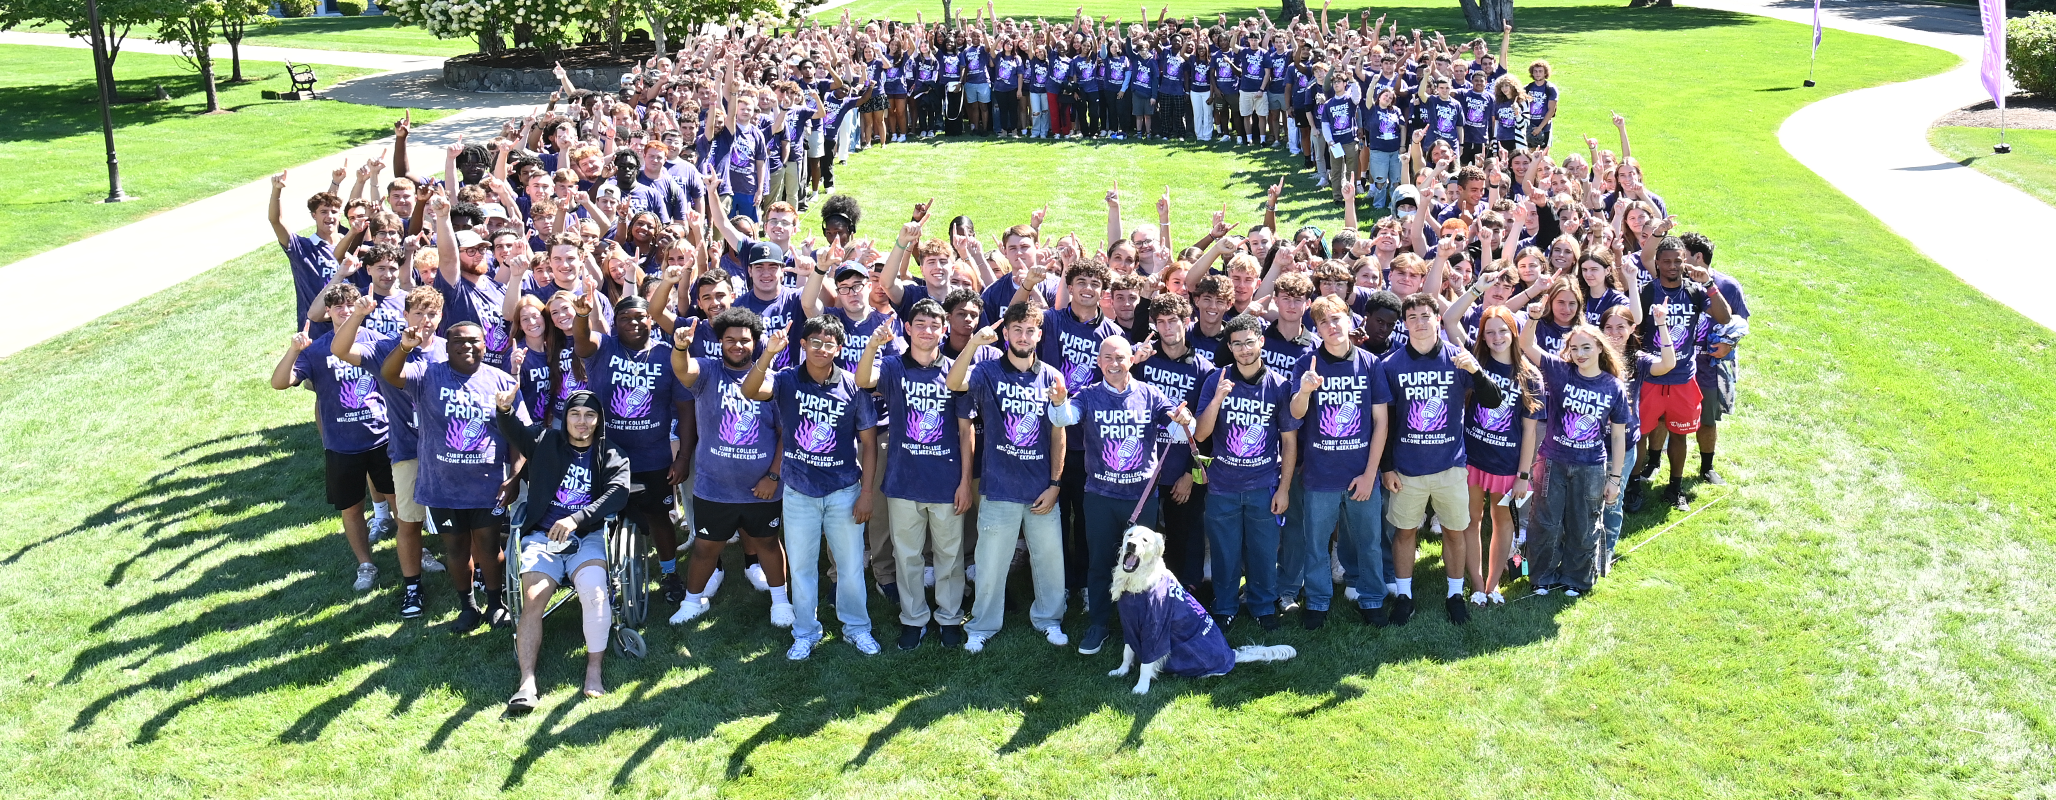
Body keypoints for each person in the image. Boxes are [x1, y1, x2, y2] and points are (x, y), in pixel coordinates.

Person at [742, 316, 882, 660]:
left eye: (829, 343)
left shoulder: (852, 385)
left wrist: (866, 493)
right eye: (815, 342)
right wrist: (768, 355)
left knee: (850, 567)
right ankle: (805, 632)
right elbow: (749, 390)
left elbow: (868, 442)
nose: (822, 348)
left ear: (840, 348)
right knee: (803, 567)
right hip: (799, 492)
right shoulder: (787, 379)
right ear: (803, 344)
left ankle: (857, 628)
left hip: (844, 490)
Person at [947, 302, 1073, 653]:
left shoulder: (1052, 376)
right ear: (1005, 334)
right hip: (999, 486)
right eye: (1016, 329)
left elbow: (1058, 434)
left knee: (1049, 559)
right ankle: (983, 624)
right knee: (990, 562)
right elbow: (953, 381)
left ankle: (1049, 619)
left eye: (1030, 330)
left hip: (1040, 489)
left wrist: (1055, 484)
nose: (1023, 336)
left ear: (1039, 334)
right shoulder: (987, 371)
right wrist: (972, 344)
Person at [380, 320, 521, 632]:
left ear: (485, 345)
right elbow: (389, 374)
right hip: (442, 486)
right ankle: (467, 607)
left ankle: (496, 605)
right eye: (458, 340)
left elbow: (517, 437)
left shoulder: (501, 381)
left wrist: (514, 477)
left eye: (474, 341)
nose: (467, 346)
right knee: (455, 548)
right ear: (447, 345)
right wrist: (404, 347)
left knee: (488, 547)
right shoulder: (429, 375)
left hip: (488, 487)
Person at [496, 389, 631, 713]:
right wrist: (504, 408)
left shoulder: (610, 454)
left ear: (598, 420)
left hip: (587, 539)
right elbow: (513, 429)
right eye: (575, 415)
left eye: (589, 416)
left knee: (596, 592)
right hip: (543, 539)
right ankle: (527, 682)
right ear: (565, 418)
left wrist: (576, 518)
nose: (582, 422)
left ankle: (593, 669)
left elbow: (618, 493)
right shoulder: (545, 442)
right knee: (533, 598)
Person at [856, 298, 973, 650]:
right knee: (907, 555)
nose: (927, 331)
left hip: (946, 481)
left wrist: (966, 481)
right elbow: (863, 379)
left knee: (949, 555)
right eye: (919, 324)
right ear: (908, 329)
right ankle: (914, 619)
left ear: (944, 330)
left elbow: (966, 430)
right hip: (903, 479)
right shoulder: (892, 366)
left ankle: (950, 618)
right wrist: (873, 345)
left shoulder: (955, 370)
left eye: (934, 325)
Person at [1380, 293, 1503, 625]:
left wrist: (1476, 372)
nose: (1420, 323)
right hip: (1407, 468)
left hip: (1450, 464)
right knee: (1405, 531)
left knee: (1454, 530)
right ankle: (1404, 595)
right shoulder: (1391, 365)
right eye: (1413, 317)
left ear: (1438, 319)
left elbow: (1493, 400)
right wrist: (1387, 466)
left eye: (1426, 316)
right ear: (1405, 325)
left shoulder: (1457, 358)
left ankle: (1454, 593)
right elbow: (1386, 422)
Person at [670, 309, 795, 629]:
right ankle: (691, 601)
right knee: (704, 547)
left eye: (744, 340)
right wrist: (680, 347)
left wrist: (773, 475)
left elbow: (785, 434)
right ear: (720, 342)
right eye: (730, 340)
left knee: (767, 542)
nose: (737, 345)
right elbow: (682, 371)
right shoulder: (708, 372)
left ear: (756, 342)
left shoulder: (772, 380)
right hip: (714, 486)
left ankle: (780, 602)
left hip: (761, 487)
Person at [1069, 336, 1194, 655]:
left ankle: (1139, 625)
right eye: (1107, 357)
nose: (1114, 363)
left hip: (1141, 497)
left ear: (1132, 360)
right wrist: (1058, 403)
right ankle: (1098, 623)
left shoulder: (1150, 394)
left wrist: (1185, 418)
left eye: (1120, 357)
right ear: (1099, 362)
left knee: (1142, 564)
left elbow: (1179, 421)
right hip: (1099, 495)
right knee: (1100, 563)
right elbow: (1066, 416)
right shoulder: (1088, 396)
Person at [332, 287, 452, 618]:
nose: (425, 321)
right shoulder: (386, 349)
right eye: (418, 313)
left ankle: (475, 579)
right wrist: (357, 313)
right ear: (405, 316)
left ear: (440, 317)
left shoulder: (449, 350)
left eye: (431, 314)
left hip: (449, 452)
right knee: (409, 523)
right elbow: (340, 349)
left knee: (462, 519)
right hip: (408, 450)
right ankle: (412, 586)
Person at [270, 283, 393, 593]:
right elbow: (279, 383)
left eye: (350, 304)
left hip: (383, 437)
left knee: (400, 502)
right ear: (328, 311)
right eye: (338, 305)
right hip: (342, 444)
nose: (344, 310)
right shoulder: (316, 349)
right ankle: (366, 564)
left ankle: (419, 551)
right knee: (351, 508)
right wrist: (294, 350)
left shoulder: (377, 341)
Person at [571, 293, 692, 607]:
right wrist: (582, 316)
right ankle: (604, 574)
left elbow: (686, 409)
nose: (634, 323)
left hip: (653, 456)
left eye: (640, 317)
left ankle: (669, 574)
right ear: (615, 323)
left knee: (659, 516)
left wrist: (682, 457)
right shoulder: (604, 347)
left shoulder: (667, 355)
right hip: (607, 455)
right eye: (625, 318)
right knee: (605, 518)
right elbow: (582, 343)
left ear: (651, 321)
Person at [1286, 295, 1393, 628]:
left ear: (1349, 320)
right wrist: (1305, 391)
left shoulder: (1369, 363)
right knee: (1316, 543)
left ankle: (1372, 597)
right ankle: (1317, 601)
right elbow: (1295, 414)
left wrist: (1370, 473)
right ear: (1316, 329)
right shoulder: (1307, 363)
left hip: (1361, 473)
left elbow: (1381, 422)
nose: (1331, 327)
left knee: (1368, 541)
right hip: (1320, 474)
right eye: (1323, 322)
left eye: (1336, 319)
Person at [1193, 314, 1299, 631]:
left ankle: (1262, 605)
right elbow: (1200, 435)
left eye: (1249, 342)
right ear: (1230, 346)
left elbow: (1290, 442)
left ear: (1261, 342)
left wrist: (1283, 489)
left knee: (1264, 551)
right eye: (1237, 344)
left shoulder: (1279, 386)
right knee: (1225, 553)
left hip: (1264, 484)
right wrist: (1217, 400)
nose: (1244, 350)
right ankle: (1224, 606)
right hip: (1223, 485)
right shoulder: (1217, 379)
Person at [1516, 310, 1631, 598]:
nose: (1579, 354)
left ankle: (1577, 579)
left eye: (1586, 347)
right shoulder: (1560, 371)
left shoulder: (1612, 386)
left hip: (1591, 466)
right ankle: (1541, 577)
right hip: (1552, 460)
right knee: (1545, 521)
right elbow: (1527, 345)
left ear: (1600, 348)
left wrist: (1614, 479)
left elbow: (1618, 436)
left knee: (1584, 523)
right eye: (1574, 348)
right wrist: (1532, 317)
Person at [1632, 237, 1732, 512]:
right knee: (1640, 434)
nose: (1674, 266)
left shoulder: (1695, 290)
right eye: (1667, 261)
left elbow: (1724, 317)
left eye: (1678, 260)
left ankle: (1674, 488)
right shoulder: (1647, 291)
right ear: (1658, 263)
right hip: (1651, 377)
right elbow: (1635, 328)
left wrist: (1709, 284)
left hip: (1683, 378)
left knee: (1680, 434)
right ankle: (1634, 485)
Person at [1129, 294, 1214, 593]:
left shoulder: (1204, 369)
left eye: (1173, 321)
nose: (1167, 328)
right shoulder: (1143, 363)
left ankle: (1186, 594)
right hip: (1145, 469)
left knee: (1185, 537)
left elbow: (1207, 431)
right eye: (1160, 322)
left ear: (1187, 322)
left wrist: (1190, 476)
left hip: (1182, 472)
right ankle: (1142, 590)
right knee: (1143, 537)